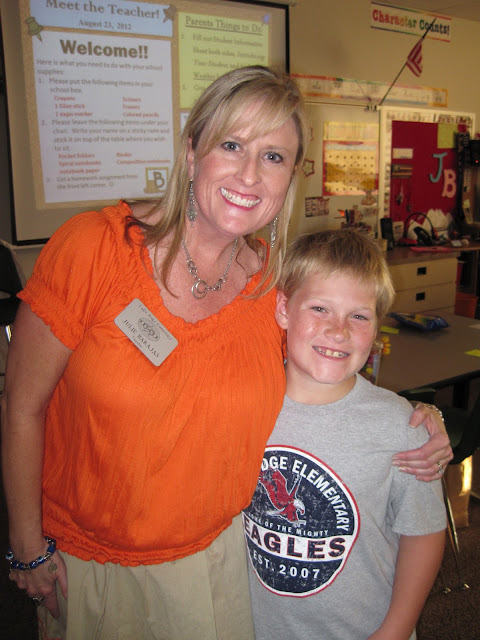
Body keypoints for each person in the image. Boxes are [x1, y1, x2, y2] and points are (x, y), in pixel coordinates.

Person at [1, 66, 451, 640]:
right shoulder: (94, 249)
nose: (250, 174)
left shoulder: (270, 288)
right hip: (91, 566)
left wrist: (418, 420)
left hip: (221, 568)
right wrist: (27, 546)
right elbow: (22, 404)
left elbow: (324, 375)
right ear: (192, 152)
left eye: (273, 156)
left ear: (290, 177)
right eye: (232, 145)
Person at [244, 228, 447, 640]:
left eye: (359, 316)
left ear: (377, 326)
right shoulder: (242, 407)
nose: (338, 330)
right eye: (320, 308)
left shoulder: (403, 426)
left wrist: (395, 630)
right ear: (283, 309)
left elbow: (423, 534)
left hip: (363, 629)